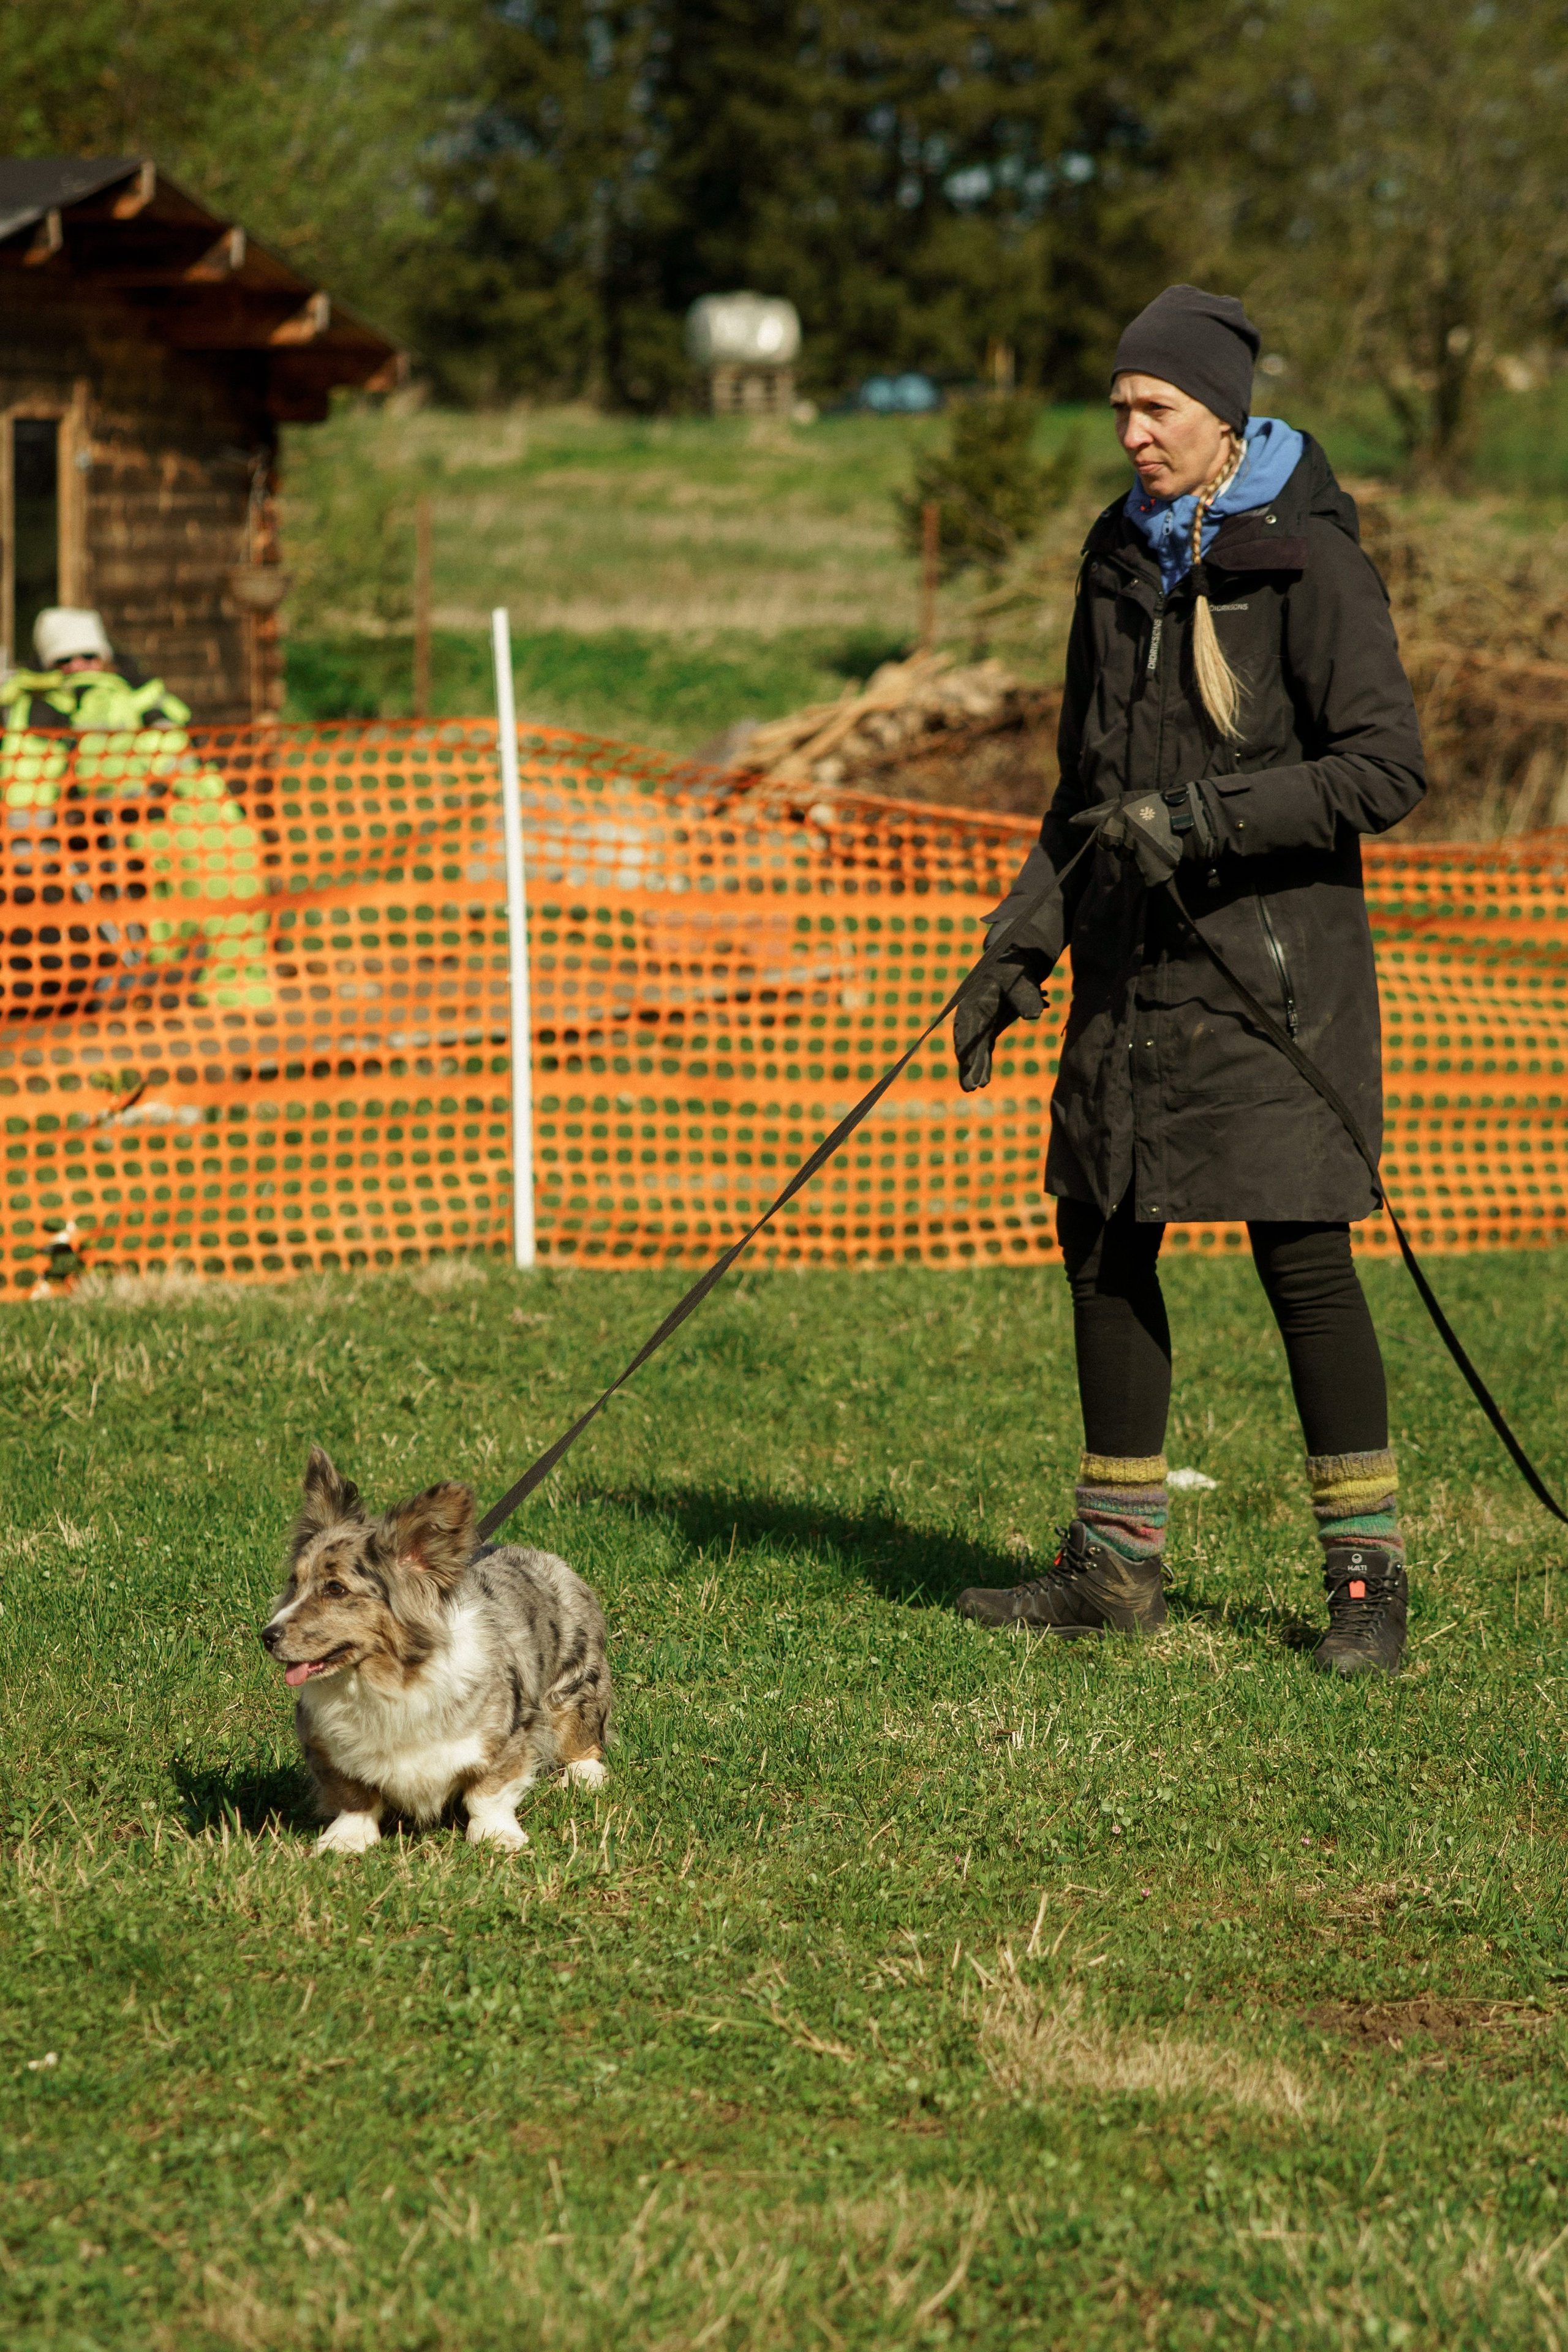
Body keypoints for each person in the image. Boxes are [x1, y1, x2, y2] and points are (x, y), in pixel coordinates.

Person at [951, 284, 1425, 1676]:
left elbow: (1383, 769)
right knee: (1099, 1238)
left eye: (1154, 407)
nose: (1132, 433)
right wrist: (1016, 945)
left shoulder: (1311, 562)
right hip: (1130, 978)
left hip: (1274, 984)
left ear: (1222, 415)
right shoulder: (1116, 558)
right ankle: (1114, 1568)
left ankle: (1364, 1585)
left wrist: (1208, 818)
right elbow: (1081, 791)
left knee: (1303, 1258)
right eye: (1119, 409)